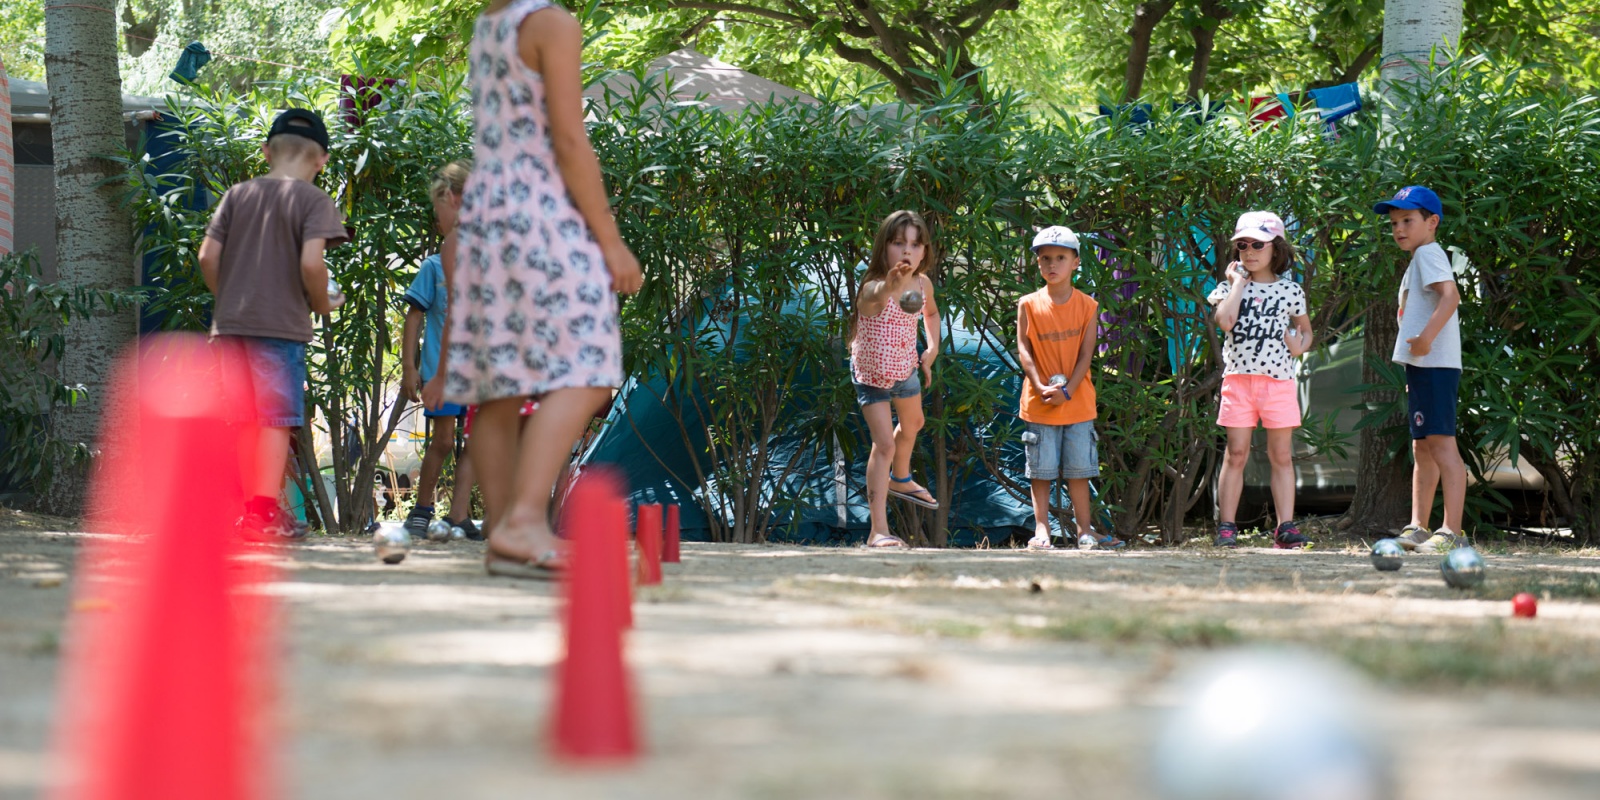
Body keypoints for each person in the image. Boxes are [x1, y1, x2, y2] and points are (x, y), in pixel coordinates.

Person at [423, 0, 643, 578]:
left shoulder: (490, 24)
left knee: (499, 386)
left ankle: (505, 539)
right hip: (535, 211)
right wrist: (610, 240)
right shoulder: (550, 22)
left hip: (487, 216)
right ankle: (524, 517)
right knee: (593, 363)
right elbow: (570, 141)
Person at [198, 108, 348, 539]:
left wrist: (227, 301)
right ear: (322, 160)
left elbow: (208, 257)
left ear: (266, 151)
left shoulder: (236, 194)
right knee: (274, 421)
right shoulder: (314, 200)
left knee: (245, 420)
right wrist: (322, 302)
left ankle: (252, 510)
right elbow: (311, 263)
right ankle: (263, 513)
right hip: (280, 328)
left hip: (231, 325)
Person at [1207, 210, 1313, 549]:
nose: (1249, 252)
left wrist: (1300, 345)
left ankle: (1285, 527)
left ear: (1276, 248)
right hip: (1238, 381)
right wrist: (1238, 284)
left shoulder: (1290, 290)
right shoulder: (1228, 286)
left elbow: (1305, 330)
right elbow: (1224, 321)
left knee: (1281, 455)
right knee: (1235, 454)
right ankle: (1227, 526)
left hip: (1278, 382)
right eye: (1242, 245)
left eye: (1258, 244)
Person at [1016, 226, 1123, 551]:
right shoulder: (1028, 304)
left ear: (1076, 261)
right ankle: (1042, 530)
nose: (1052, 264)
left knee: (1079, 471)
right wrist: (1038, 385)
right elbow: (1023, 348)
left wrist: (1067, 390)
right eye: (1045, 258)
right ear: (1037, 263)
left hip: (1077, 403)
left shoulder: (1088, 306)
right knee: (1041, 471)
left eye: (1061, 257)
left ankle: (1084, 531)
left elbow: (1086, 354)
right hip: (1039, 402)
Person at [1374, 185, 1465, 553]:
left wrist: (1426, 340)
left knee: (1442, 446)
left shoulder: (1428, 253)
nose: (1399, 228)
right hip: (1425, 367)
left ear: (1432, 222)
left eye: (1408, 220)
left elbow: (1451, 296)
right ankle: (1419, 525)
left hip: (1435, 364)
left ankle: (1452, 530)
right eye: (1394, 222)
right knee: (1423, 446)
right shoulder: (1421, 256)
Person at [849, 210, 941, 549]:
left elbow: (930, 312)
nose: (908, 251)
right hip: (872, 376)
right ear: (883, 247)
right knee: (884, 444)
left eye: (916, 244)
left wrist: (931, 348)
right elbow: (872, 300)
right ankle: (878, 531)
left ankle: (901, 477)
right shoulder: (873, 284)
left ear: (925, 251)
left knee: (914, 423)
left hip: (905, 369)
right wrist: (889, 286)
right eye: (899, 242)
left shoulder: (922, 284)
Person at [401, 161, 481, 540]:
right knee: (445, 441)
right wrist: (409, 368)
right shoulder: (434, 267)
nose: (438, 221)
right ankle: (421, 508)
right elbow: (414, 316)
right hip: (440, 372)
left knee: (479, 442)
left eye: (439, 211)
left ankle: (459, 514)